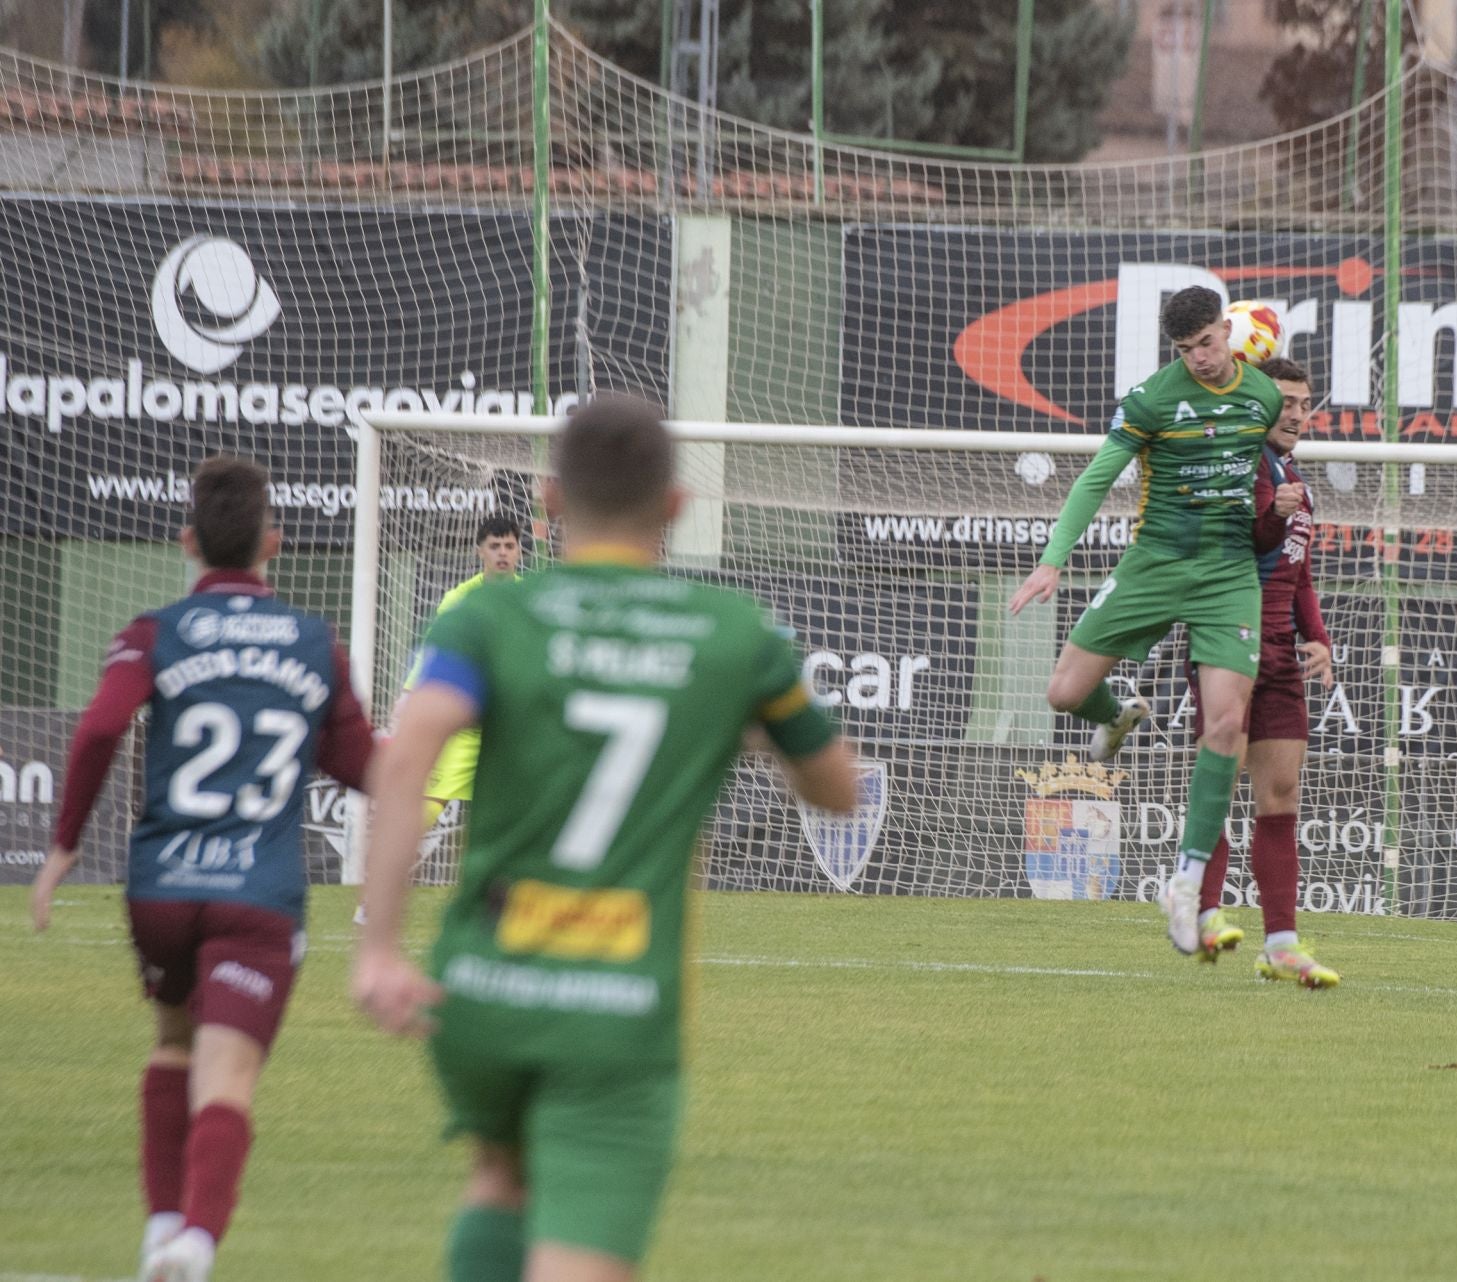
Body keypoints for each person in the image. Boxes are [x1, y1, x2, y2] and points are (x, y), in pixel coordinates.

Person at [353, 394, 859, 1282]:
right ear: (674, 506)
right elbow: (838, 790)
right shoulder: (732, 635)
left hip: (481, 987)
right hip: (618, 1008)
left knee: (499, 1181)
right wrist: (731, 718)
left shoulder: (484, 618)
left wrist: (382, 948)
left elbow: (405, 760)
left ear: (550, 501)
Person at [31, 456, 377, 1282]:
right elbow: (360, 764)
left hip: (162, 889)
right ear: (276, 542)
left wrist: (64, 846)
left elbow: (98, 730)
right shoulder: (312, 641)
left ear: (188, 542)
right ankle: (194, 1242)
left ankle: (158, 1231)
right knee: (228, 1076)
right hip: (257, 894)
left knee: (173, 1045)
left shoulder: (153, 633)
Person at [1010, 286, 1279, 956]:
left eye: (1207, 344)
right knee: (1063, 694)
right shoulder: (1154, 399)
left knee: (1224, 723)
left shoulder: (1264, 399)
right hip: (1154, 562)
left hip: (1226, 574)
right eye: (1185, 350)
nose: (1199, 359)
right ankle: (1112, 716)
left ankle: (1185, 886)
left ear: (1229, 329)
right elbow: (1096, 478)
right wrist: (1051, 561)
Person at [1185, 356, 1340, 988]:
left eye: (1305, 403)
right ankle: (1199, 914)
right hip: (1228, 640)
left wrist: (1319, 638)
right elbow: (1238, 544)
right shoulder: (1237, 468)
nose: (1297, 413)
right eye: (1285, 401)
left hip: (1279, 649)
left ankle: (1281, 943)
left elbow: (1297, 573)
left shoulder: (1296, 480)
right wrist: (1274, 510)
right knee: (1219, 788)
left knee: (1280, 797)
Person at [353, 515, 524, 926]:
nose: (502, 553)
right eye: (495, 546)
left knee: (512, 819)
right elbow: (435, 656)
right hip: (466, 726)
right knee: (423, 810)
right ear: (479, 551)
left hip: (510, 729)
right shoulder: (459, 599)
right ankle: (374, 897)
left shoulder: (531, 598)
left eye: (509, 546)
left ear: (519, 550)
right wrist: (409, 697)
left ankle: (506, 905)